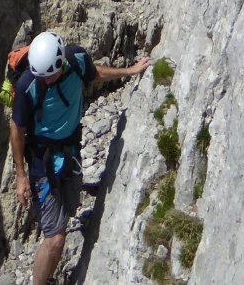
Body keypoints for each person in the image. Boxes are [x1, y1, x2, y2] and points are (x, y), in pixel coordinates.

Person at [9, 29, 151, 285]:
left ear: (60, 62)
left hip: (70, 151)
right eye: (41, 75)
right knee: (55, 237)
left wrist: (130, 71)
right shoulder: (27, 85)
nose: (45, 80)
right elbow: (17, 129)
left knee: (67, 214)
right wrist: (21, 176)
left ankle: (48, 276)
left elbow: (96, 73)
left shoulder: (76, 60)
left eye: (49, 75)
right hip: (42, 163)